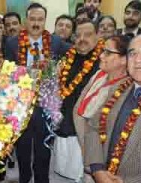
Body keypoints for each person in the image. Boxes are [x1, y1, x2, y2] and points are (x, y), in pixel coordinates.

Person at [84, 34, 141, 183]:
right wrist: (97, 169)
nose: (138, 59)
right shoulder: (118, 88)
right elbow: (93, 127)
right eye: (132, 53)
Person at [5, 3, 71, 183]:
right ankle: (24, 177)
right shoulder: (12, 43)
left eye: (40, 19)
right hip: (21, 105)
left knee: (44, 148)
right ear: (26, 21)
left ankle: (42, 179)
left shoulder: (56, 42)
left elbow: (71, 61)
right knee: (23, 147)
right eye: (32, 19)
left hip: (46, 105)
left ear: (45, 21)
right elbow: (7, 73)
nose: (36, 23)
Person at [53, 19, 104, 181]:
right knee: (65, 171)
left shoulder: (104, 60)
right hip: (65, 122)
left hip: (87, 129)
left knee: (84, 174)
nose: (82, 38)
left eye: (87, 35)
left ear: (97, 35)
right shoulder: (68, 56)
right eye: (78, 35)